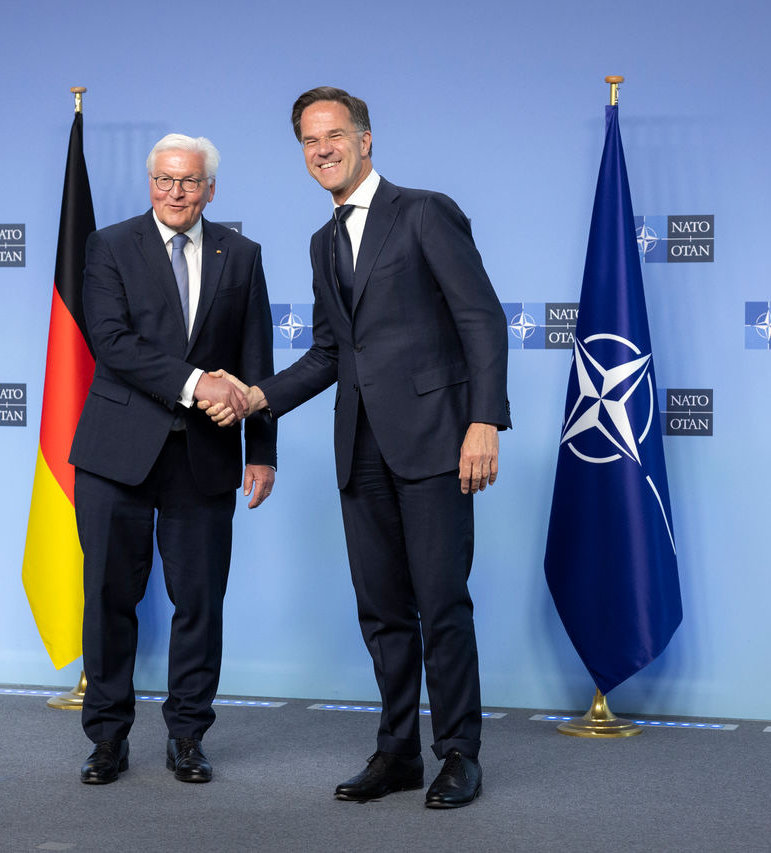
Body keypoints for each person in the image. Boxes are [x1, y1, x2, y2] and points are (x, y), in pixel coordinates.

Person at [201, 87, 510, 808]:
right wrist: (254, 396)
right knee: (382, 610)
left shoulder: (426, 211)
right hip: (360, 449)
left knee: (442, 604)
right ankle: (398, 750)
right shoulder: (323, 241)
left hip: (437, 441)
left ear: (366, 140)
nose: (322, 149)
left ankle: (459, 752)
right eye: (309, 141)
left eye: (334, 134)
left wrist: (484, 419)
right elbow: (331, 352)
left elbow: (482, 319)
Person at [69, 133, 277, 785]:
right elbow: (110, 342)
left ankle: (188, 735)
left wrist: (262, 449)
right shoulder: (109, 245)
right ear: (149, 181)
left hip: (207, 457)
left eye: (189, 181)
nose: (176, 192)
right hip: (115, 453)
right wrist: (197, 384)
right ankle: (107, 738)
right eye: (164, 179)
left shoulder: (240, 254)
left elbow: (255, 358)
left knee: (200, 603)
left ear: (210, 188)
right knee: (107, 597)